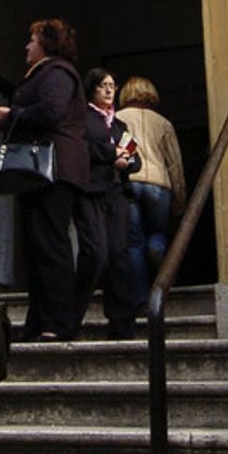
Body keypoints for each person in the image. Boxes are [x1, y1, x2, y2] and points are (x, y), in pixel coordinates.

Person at [0, 19, 86, 341]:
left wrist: (11, 114)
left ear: (47, 44)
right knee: (38, 247)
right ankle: (40, 323)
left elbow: (51, 111)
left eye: (32, 39)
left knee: (50, 246)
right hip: (41, 173)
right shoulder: (48, 73)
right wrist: (6, 118)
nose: (27, 46)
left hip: (54, 170)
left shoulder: (57, 72)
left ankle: (58, 323)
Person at [74, 69, 141, 339]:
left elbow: (136, 156)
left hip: (117, 192)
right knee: (95, 255)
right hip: (92, 191)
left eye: (112, 85)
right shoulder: (83, 119)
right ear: (92, 89)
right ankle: (69, 318)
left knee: (120, 257)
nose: (109, 90)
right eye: (103, 86)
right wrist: (110, 154)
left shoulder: (119, 125)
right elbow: (81, 149)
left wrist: (128, 162)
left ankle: (122, 323)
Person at [114, 76, 186, 281]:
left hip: (129, 181)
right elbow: (174, 163)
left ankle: (140, 297)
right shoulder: (164, 124)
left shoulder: (118, 120)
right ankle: (158, 262)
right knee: (157, 234)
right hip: (158, 184)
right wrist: (180, 198)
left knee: (134, 241)